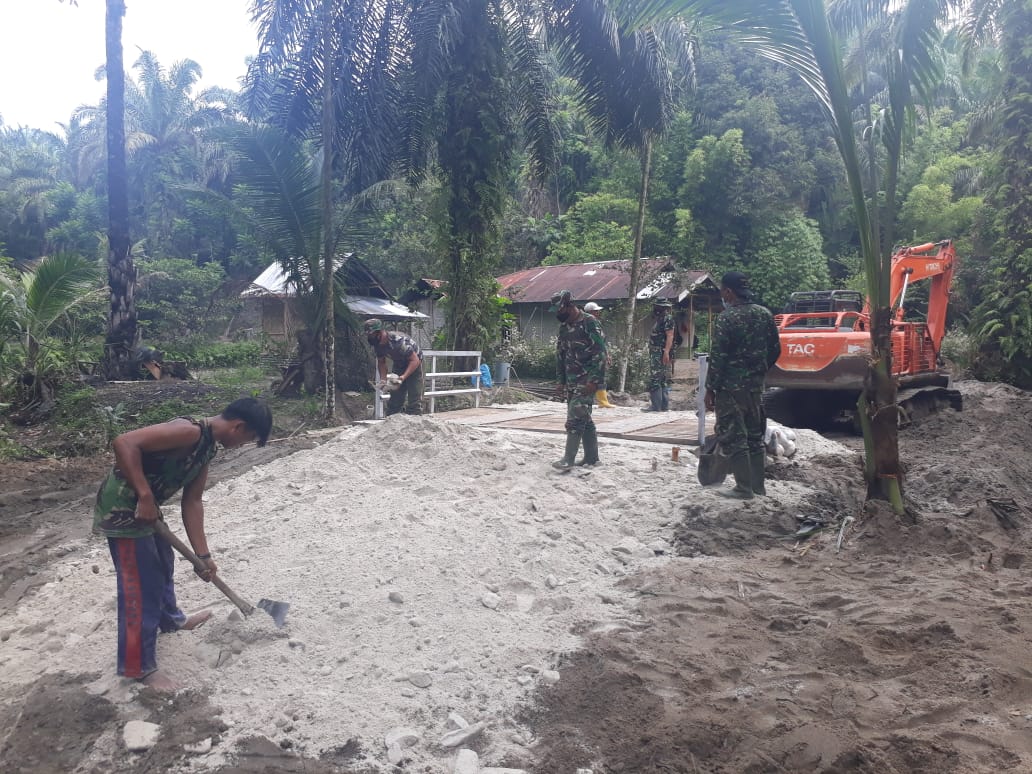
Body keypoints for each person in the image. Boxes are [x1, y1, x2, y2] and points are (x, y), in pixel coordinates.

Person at [93, 397, 273, 691]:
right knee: (141, 583)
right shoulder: (189, 431)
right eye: (249, 439)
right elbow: (124, 442)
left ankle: (171, 620)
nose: (243, 445)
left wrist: (203, 555)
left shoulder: (207, 449)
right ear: (238, 427)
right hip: (123, 507)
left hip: (145, 508)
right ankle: (139, 667)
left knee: (163, 562)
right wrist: (145, 495)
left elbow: (193, 501)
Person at [704, 272, 781, 499]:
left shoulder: (727, 319)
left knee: (735, 436)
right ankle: (758, 486)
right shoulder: (765, 315)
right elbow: (775, 349)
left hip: (731, 389)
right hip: (756, 387)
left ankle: (743, 488)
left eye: (722, 291)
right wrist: (758, 371)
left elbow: (718, 358)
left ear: (729, 292)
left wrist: (710, 388)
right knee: (755, 436)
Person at [551, 290, 608, 469]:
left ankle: (568, 459)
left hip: (587, 380)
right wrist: (560, 381)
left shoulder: (590, 323)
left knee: (575, 418)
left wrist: (594, 381)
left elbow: (601, 354)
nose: (558, 315)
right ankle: (592, 458)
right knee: (585, 417)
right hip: (571, 380)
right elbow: (560, 355)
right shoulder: (564, 328)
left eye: (560, 311)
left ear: (570, 306)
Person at [364, 318, 424, 416]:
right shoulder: (377, 345)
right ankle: (391, 419)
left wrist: (403, 377)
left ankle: (414, 420)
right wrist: (383, 379)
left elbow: (415, 360)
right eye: (368, 335)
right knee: (395, 397)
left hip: (415, 364)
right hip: (399, 364)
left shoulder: (399, 342)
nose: (369, 338)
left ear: (379, 333)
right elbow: (381, 362)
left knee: (415, 395)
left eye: (371, 335)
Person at [643, 299, 675, 411]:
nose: (655, 308)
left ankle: (656, 406)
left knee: (656, 378)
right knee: (661, 379)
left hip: (659, 352)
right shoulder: (661, 318)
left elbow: (670, 336)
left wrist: (666, 352)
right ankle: (663, 406)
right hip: (657, 351)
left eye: (657, 306)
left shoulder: (667, 318)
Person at [583, 302, 614, 408]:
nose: (598, 312)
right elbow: (596, 340)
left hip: (599, 353)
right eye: (596, 311)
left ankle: (602, 401)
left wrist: (607, 354)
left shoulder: (595, 322)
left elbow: (602, 341)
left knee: (599, 377)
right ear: (590, 312)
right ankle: (600, 401)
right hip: (593, 354)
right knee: (595, 377)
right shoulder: (588, 323)